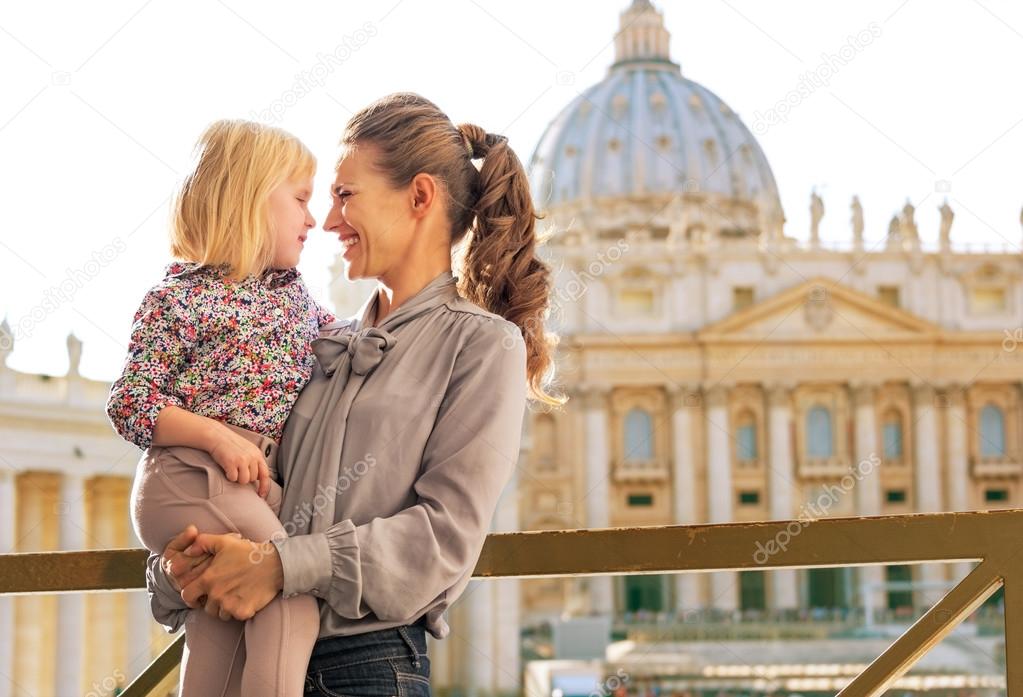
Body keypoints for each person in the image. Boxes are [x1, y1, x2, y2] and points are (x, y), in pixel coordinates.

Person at [148, 92, 566, 696]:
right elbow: (233, 492)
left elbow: (443, 540)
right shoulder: (309, 340)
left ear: (420, 197)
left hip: (368, 669)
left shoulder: (483, 346)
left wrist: (279, 567)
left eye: (345, 196)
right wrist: (175, 572)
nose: (329, 221)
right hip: (249, 652)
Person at [106, 119, 331, 696]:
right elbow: (131, 400)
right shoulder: (178, 297)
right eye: (302, 200)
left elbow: (348, 342)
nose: (314, 219)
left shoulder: (294, 295)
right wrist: (216, 436)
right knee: (290, 596)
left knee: (222, 626)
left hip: (234, 484)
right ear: (251, 201)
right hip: (191, 477)